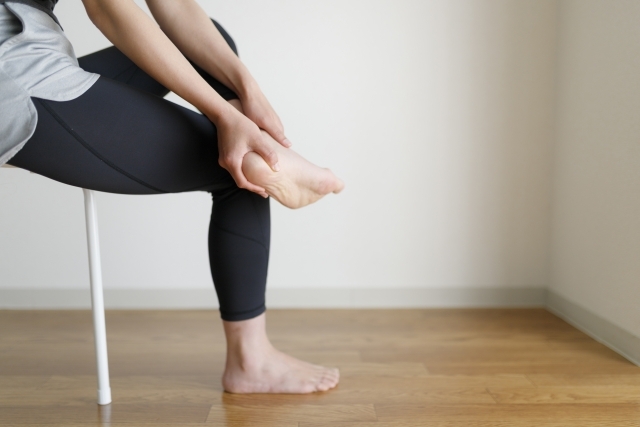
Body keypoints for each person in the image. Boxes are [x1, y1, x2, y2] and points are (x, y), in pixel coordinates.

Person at [0, 0, 344, 393]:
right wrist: (226, 117)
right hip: (14, 77)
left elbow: (175, 6)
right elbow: (108, 9)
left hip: (37, 54)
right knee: (235, 170)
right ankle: (252, 361)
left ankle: (259, 152)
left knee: (214, 49)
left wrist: (250, 93)